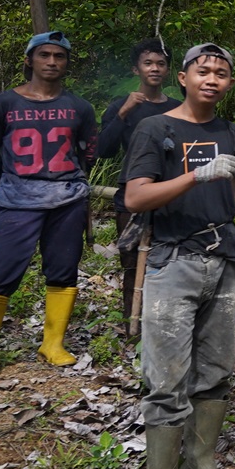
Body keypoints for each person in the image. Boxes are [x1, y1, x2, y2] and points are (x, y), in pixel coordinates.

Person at [115, 42, 235, 469]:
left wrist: (217, 188)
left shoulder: (231, 132)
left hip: (224, 259)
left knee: (216, 370)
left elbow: (231, 193)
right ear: (185, 78)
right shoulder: (158, 128)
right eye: (203, 71)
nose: (212, 79)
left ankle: (201, 462)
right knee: (166, 378)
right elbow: (134, 196)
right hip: (172, 262)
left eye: (221, 72)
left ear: (229, 83)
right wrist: (196, 173)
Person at [0, 30, 98, 391]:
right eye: (44, 55)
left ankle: (53, 343)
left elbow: (88, 150)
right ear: (29, 60)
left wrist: (74, 184)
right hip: (17, 199)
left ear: (67, 63)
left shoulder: (79, 107)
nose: (51, 62)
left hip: (66, 199)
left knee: (63, 270)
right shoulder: (2, 103)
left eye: (59, 56)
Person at [96, 38, 180, 338]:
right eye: (148, 63)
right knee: (131, 262)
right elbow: (102, 150)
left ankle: (163, 326)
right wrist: (123, 113)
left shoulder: (177, 108)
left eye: (160, 63)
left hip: (170, 194)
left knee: (171, 260)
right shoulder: (122, 105)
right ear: (137, 69)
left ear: (168, 69)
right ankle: (134, 328)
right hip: (131, 195)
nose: (155, 68)